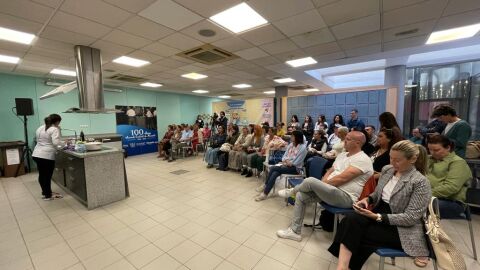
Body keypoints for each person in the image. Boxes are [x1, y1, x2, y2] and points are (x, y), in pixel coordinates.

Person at [327, 140, 431, 270]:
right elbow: (377, 194)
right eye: (390, 158)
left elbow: (411, 218)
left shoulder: (420, 182)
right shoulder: (388, 170)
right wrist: (367, 200)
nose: (392, 163)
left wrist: (378, 217)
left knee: (358, 234)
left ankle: (345, 267)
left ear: (412, 159)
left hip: (401, 227)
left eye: (397, 160)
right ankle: (342, 267)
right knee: (349, 220)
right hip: (379, 213)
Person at [276, 131, 373, 241]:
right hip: (331, 191)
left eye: (348, 139)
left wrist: (320, 185)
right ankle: (295, 231)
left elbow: (341, 179)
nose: (344, 141)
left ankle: (291, 192)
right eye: (345, 138)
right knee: (301, 196)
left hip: (346, 197)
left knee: (310, 181)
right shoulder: (342, 155)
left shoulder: (363, 159)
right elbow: (330, 171)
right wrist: (322, 184)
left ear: (358, 143)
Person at [427, 135, 472, 218]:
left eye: (436, 150)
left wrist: (424, 194)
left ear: (448, 148)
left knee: (418, 206)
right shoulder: (428, 159)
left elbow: (451, 187)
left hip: (451, 202)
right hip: (429, 197)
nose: (432, 153)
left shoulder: (458, 162)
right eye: (430, 149)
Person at [255, 130, 307, 201]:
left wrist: (287, 162)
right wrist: (285, 161)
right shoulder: (291, 144)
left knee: (273, 168)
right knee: (275, 173)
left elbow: (297, 162)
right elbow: (284, 156)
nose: (291, 137)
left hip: (295, 168)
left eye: (292, 136)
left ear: (297, 137)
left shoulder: (303, 148)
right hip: (286, 165)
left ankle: (265, 186)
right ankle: (265, 193)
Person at [32, 114, 64, 201]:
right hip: (46, 156)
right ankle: (48, 196)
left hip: (36, 154)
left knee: (42, 175)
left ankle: (45, 192)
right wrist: (64, 143)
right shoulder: (54, 129)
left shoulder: (40, 127)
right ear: (57, 121)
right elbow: (56, 143)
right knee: (47, 176)